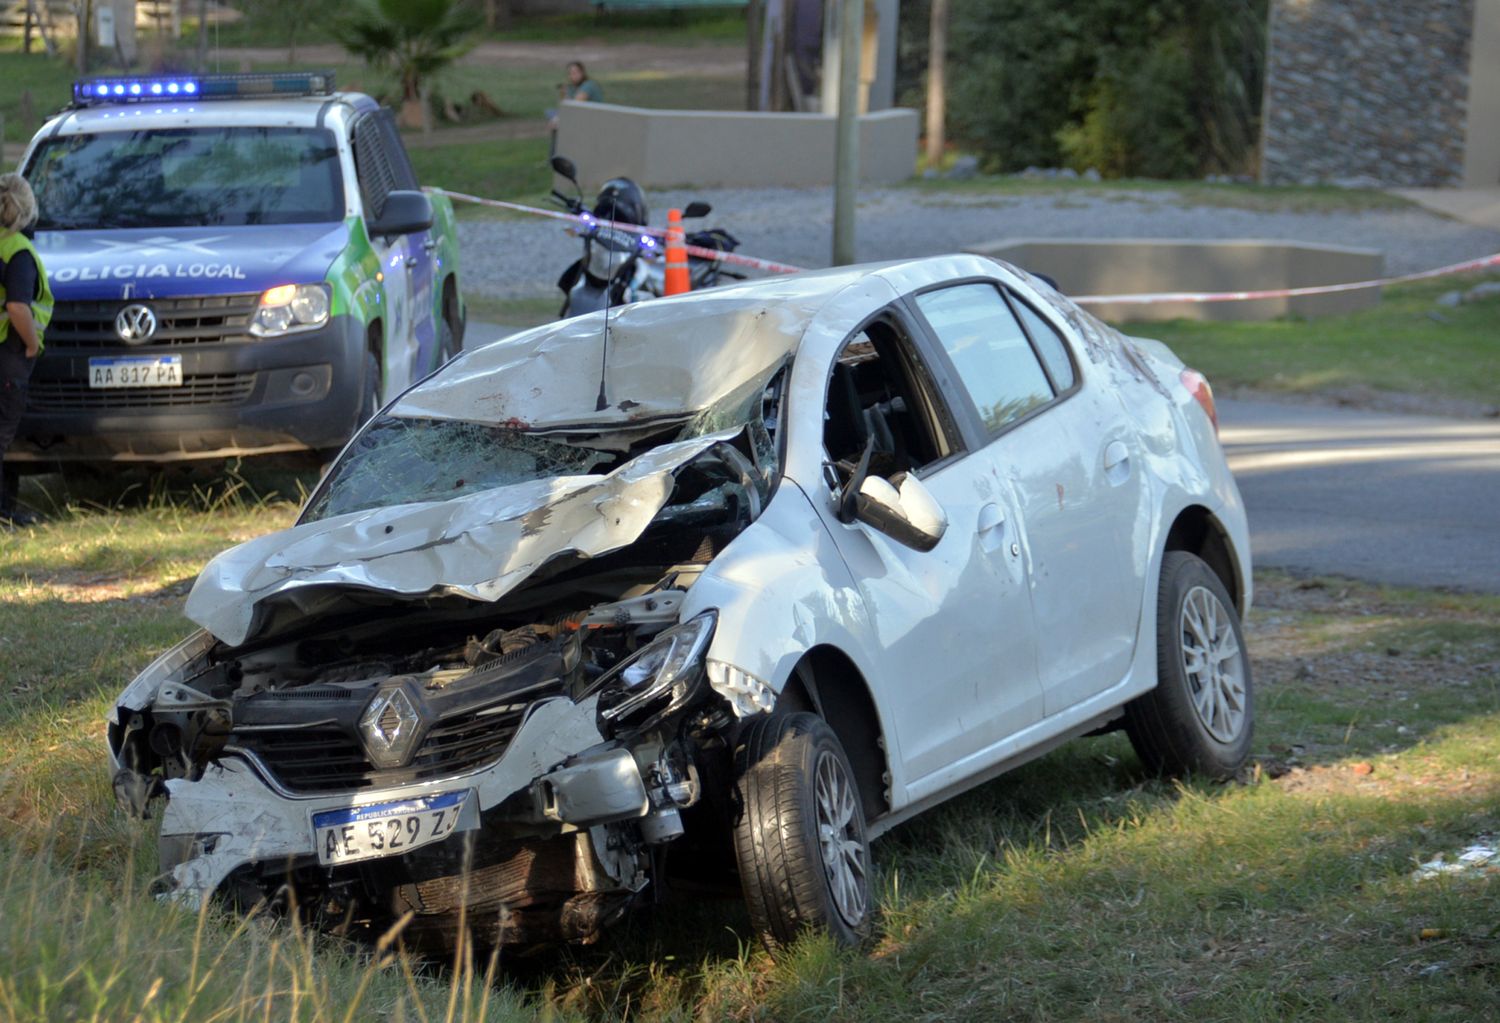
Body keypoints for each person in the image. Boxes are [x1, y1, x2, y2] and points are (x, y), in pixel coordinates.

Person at [0, 173, 50, 528]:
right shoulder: (18, 250)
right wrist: (32, 343)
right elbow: (18, 307)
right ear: (28, 208)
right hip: (9, 354)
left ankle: (5, 510)